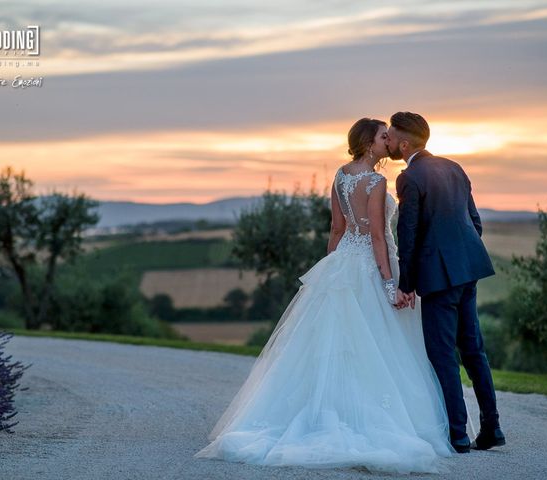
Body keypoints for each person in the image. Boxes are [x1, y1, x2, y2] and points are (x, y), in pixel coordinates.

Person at [194, 118, 453, 474]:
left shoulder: (341, 176)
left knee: (337, 344)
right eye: (382, 137)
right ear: (368, 143)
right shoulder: (377, 181)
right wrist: (391, 284)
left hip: (345, 260)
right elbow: (378, 236)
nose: (387, 140)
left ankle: (324, 410)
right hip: (372, 265)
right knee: (373, 344)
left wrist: (333, 268)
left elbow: (337, 228)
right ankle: (367, 418)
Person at [386, 111, 505, 453]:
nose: (390, 142)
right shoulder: (454, 167)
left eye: (392, 137)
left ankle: (457, 434)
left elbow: (407, 233)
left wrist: (406, 282)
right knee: (474, 350)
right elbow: (475, 222)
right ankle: (492, 427)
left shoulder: (409, 176)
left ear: (404, 143)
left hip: (439, 278)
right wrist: (460, 257)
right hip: (468, 270)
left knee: (442, 354)